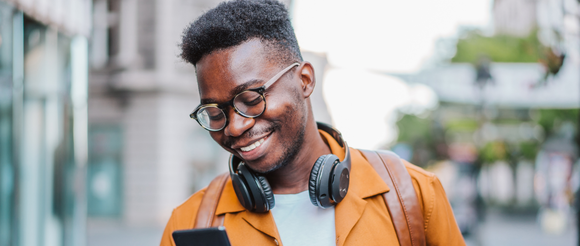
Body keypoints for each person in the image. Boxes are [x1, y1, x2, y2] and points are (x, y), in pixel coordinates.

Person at [160, 0, 465, 245]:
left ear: (304, 80)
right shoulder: (188, 224)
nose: (235, 128)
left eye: (251, 99)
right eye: (215, 113)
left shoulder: (413, 194)